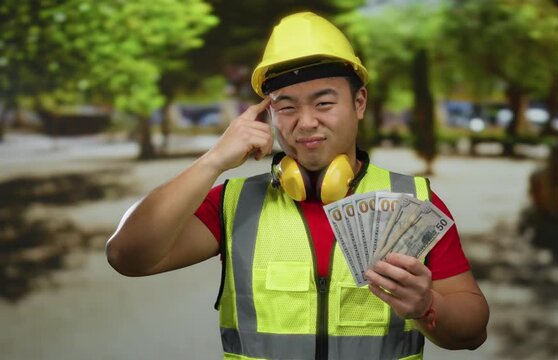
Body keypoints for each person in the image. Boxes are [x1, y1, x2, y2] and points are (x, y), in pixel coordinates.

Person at [107, 11, 489, 359]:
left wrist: (426, 306)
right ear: (267, 113)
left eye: (323, 103)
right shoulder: (233, 204)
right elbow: (127, 257)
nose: (305, 122)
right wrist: (214, 160)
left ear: (359, 103)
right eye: (286, 107)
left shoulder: (413, 201)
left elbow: (473, 330)